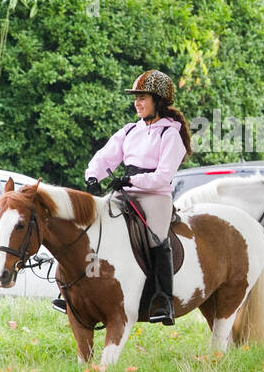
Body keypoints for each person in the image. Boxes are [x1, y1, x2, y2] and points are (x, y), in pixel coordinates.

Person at [82, 70, 192, 326]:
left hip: (155, 197)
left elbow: (163, 176)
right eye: (136, 98)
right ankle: (79, 291)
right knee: (95, 227)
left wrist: (132, 180)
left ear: (159, 101)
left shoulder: (170, 135)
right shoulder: (130, 130)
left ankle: (163, 301)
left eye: (142, 98)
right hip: (126, 191)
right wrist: (93, 176)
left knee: (156, 240)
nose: (137, 103)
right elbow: (105, 156)